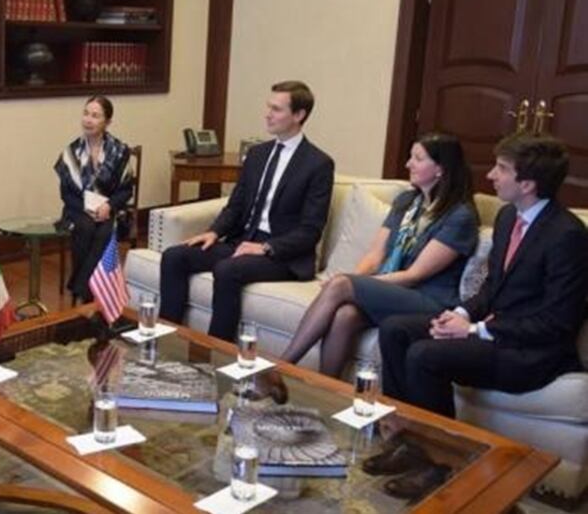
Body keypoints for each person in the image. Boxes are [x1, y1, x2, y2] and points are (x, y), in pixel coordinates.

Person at [380, 134, 588, 418]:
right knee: (395, 329)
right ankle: (395, 426)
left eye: (501, 168)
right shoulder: (507, 217)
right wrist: (460, 314)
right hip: (494, 332)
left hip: (530, 352)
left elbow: (556, 323)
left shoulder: (567, 235)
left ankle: (436, 443)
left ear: (527, 184)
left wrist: (473, 330)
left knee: (424, 355)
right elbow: (492, 287)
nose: (490, 175)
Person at [262, 133, 479, 401]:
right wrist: (356, 281)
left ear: (441, 169)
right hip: (396, 292)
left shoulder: (459, 217)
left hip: (429, 301)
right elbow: (375, 256)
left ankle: (282, 367)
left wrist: (352, 284)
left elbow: (415, 275)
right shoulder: (406, 202)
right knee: (345, 315)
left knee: (342, 284)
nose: (408, 164)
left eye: (418, 158)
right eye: (410, 157)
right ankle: (326, 394)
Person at [158, 81, 335, 340]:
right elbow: (236, 204)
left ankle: (214, 352)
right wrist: (214, 232)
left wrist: (265, 248)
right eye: (268, 107)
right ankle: (165, 340)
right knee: (175, 256)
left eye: (276, 109)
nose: (267, 114)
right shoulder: (257, 154)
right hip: (243, 241)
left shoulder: (318, 164)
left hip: (282, 256)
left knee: (227, 270)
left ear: (299, 115)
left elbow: (311, 230)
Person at [54, 96, 135, 301]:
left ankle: (80, 286)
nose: (88, 120)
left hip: (110, 210)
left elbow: (126, 190)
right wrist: (86, 208)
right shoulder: (71, 152)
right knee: (86, 227)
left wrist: (109, 206)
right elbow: (66, 194)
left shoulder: (119, 151)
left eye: (95, 116)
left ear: (107, 122)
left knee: (105, 231)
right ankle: (89, 292)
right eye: (86, 114)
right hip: (78, 209)